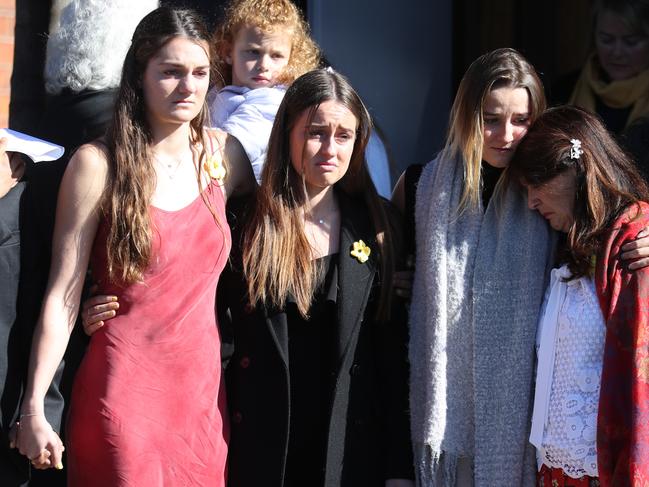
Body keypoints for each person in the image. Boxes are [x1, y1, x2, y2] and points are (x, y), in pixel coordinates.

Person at [83, 68, 414, 487]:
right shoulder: (242, 225)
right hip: (257, 450)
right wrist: (102, 298)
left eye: (343, 135)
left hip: (349, 454)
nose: (329, 148)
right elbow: (180, 295)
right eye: (315, 132)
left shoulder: (381, 228)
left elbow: (392, 360)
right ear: (286, 133)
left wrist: (399, 471)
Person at [13, 7, 254, 486]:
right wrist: (34, 408)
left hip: (202, 406)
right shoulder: (97, 165)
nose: (188, 85)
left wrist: (382, 246)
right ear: (138, 76)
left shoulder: (224, 156)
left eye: (200, 72)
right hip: (122, 396)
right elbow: (62, 296)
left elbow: (283, 223)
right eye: (170, 71)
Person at [394, 48, 649, 487]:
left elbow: (612, 221)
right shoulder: (420, 187)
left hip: (530, 446)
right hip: (440, 434)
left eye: (521, 120)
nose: (506, 134)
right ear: (465, 115)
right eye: (490, 118)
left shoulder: (555, 201)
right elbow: (390, 312)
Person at [511, 105, 649, 486]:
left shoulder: (636, 241)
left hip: (608, 468)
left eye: (536, 185)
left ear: (575, 171)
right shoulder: (560, 248)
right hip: (553, 466)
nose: (531, 203)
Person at [208, 0, 320, 181]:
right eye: (253, 52)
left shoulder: (275, 102)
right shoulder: (216, 92)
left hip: (246, 203)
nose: (263, 65)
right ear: (228, 52)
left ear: (291, 61)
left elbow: (232, 147)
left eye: (276, 56)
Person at [552, 0, 649, 135]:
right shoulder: (564, 91)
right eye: (607, 40)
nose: (617, 53)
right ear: (594, 39)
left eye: (630, 42)